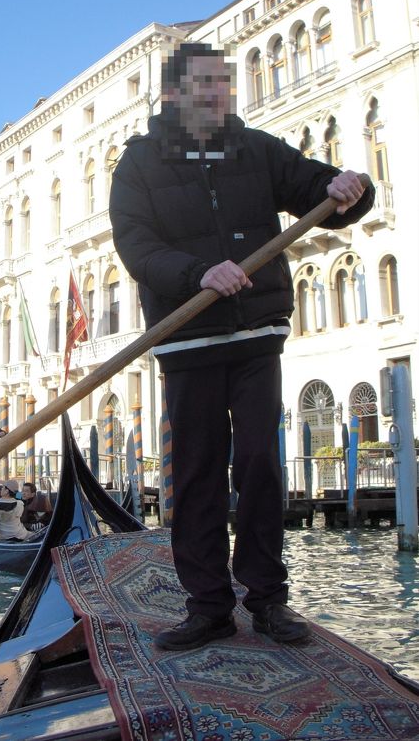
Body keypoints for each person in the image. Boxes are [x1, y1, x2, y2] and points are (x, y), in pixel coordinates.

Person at [109, 41, 374, 651]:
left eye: (222, 84)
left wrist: (350, 189)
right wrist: (197, 272)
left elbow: (316, 191)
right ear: (174, 93)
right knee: (197, 472)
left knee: (258, 462)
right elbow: (136, 246)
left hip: (257, 332)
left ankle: (269, 599)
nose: (217, 93)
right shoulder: (140, 164)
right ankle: (208, 605)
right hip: (187, 335)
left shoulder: (255, 148)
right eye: (203, 84)